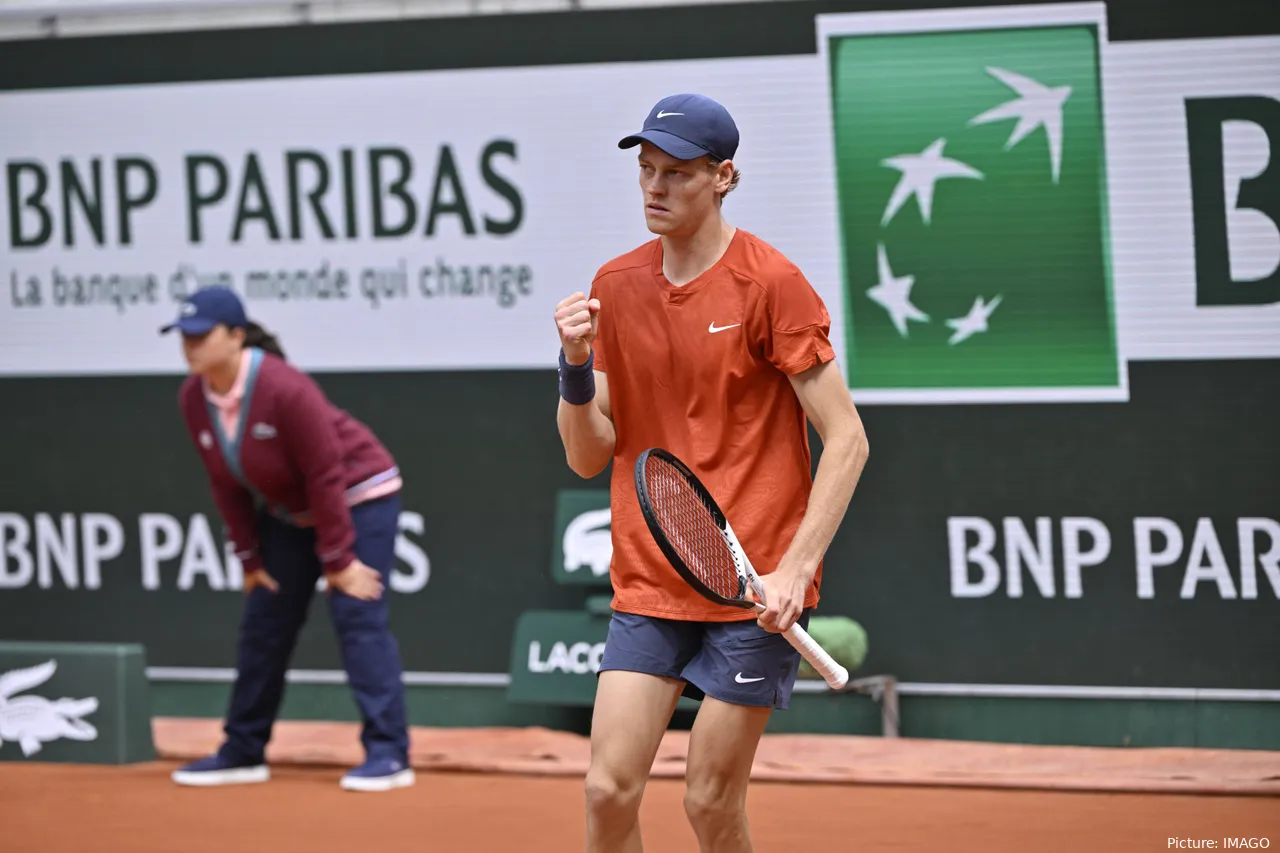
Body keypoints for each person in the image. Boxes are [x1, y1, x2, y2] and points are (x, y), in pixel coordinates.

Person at [553, 94, 870, 852]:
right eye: (646, 171)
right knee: (607, 789)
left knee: (709, 800)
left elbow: (848, 438)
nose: (655, 189)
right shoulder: (615, 286)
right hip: (652, 579)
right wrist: (572, 366)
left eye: (677, 174)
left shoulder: (771, 283)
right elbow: (589, 452)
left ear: (724, 177)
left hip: (753, 589)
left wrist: (795, 570)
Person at [160, 286, 414, 793]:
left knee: (356, 613)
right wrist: (250, 557)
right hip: (290, 512)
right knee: (263, 621)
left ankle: (389, 754)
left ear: (235, 337)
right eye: (182, 336)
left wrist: (339, 559)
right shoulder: (194, 397)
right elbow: (225, 481)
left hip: (359, 495)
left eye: (200, 334)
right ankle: (242, 751)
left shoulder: (283, 387)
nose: (189, 346)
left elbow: (325, 474)